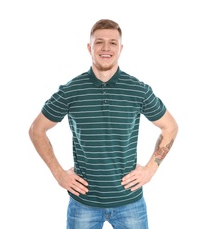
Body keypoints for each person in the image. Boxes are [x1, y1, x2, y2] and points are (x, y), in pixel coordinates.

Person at [29, 19, 178, 229]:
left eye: (113, 43)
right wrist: (59, 173)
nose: (106, 48)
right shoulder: (71, 90)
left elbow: (170, 126)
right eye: (99, 42)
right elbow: (37, 130)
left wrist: (150, 169)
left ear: (121, 48)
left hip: (130, 203)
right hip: (84, 203)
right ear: (90, 48)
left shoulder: (138, 90)